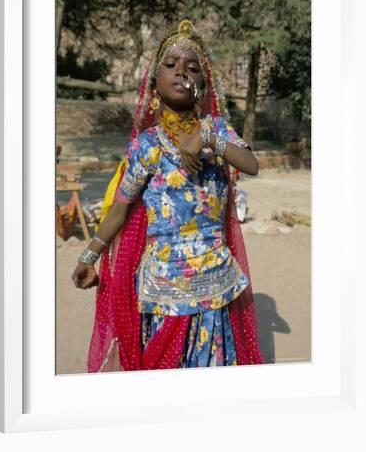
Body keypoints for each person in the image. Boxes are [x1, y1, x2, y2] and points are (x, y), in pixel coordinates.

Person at [72, 20, 264, 371]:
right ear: (154, 85)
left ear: (203, 87)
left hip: (214, 285)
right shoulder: (147, 145)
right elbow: (120, 208)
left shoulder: (218, 131)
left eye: (192, 67)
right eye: (170, 65)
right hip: (163, 291)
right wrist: (89, 256)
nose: (181, 72)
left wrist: (207, 138)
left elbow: (250, 164)